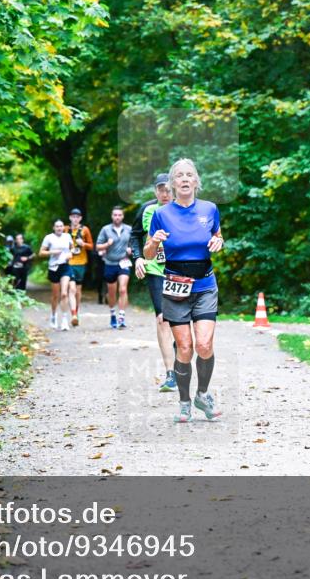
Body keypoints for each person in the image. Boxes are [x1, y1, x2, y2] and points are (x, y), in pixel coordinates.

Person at [144, 158, 224, 423]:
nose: (185, 179)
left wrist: (217, 242)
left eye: (190, 175)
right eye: (180, 175)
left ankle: (202, 393)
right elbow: (148, 252)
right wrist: (154, 242)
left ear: (196, 180)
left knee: (203, 344)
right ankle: (184, 401)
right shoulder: (161, 214)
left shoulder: (210, 209)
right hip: (175, 284)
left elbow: (218, 236)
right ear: (173, 183)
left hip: (204, 284)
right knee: (186, 348)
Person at [130, 173, 176, 392]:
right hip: (156, 270)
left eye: (168, 189)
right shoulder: (148, 210)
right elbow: (134, 235)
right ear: (155, 191)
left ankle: (180, 358)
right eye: (161, 189)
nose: (164, 193)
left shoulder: (183, 208)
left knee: (181, 321)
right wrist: (138, 258)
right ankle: (170, 374)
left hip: (180, 271)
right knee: (162, 318)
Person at [96, 205, 132, 329]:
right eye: (115, 215)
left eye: (119, 215)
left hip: (124, 262)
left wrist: (131, 249)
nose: (117, 217)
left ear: (123, 216)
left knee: (122, 289)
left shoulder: (129, 229)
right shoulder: (105, 229)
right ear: (112, 216)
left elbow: (134, 244)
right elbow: (98, 246)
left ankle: (121, 316)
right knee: (111, 292)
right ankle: (112, 314)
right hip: (110, 263)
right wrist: (107, 244)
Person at [40, 220, 75, 331]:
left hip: (65, 266)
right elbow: (41, 252)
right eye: (57, 226)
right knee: (56, 295)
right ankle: (54, 315)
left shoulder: (67, 236)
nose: (59, 228)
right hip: (53, 268)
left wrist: (71, 253)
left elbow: (72, 247)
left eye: (61, 226)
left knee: (64, 293)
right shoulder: (49, 238)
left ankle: (64, 320)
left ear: (63, 227)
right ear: (53, 228)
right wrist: (52, 252)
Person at [64, 208, 94, 327]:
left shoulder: (85, 230)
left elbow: (92, 246)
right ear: (70, 218)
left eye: (77, 217)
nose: (75, 219)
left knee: (78, 290)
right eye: (73, 217)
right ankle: (73, 314)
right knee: (71, 289)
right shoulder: (65, 230)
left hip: (81, 262)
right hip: (68, 262)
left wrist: (84, 244)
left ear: (80, 218)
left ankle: (76, 311)